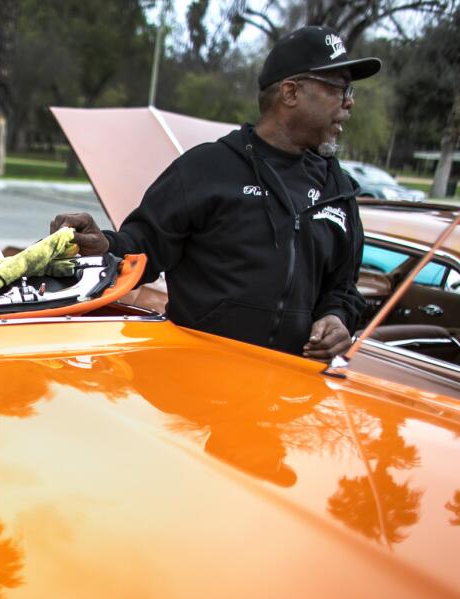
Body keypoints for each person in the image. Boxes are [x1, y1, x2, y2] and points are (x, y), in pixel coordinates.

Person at [52, 26, 380, 359]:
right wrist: (104, 245)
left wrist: (337, 318)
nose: (349, 102)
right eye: (339, 88)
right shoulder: (207, 168)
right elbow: (144, 248)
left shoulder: (337, 190)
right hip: (200, 382)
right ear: (290, 92)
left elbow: (343, 289)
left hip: (289, 392)